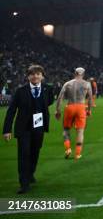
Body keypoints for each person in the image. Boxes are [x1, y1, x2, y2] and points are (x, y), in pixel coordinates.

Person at [2, 65, 55, 194]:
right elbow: (11, 110)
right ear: (28, 76)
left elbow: (49, 102)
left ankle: (30, 173)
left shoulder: (47, 89)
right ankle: (24, 183)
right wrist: (7, 130)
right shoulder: (20, 91)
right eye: (32, 74)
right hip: (23, 128)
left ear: (42, 76)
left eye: (38, 74)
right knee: (23, 155)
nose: (35, 76)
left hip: (39, 126)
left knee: (35, 152)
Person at [55, 68, 93, 160]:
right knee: (80, 131)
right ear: (83, 74)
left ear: (74, 73)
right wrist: (89, 110)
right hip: (81, 107)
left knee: (66, 129)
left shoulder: (68, 83)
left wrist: (58, 111)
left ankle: (68, 149)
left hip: (70, 107)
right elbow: (90, 99)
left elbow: (60, 98)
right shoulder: (87, 84)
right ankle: (77, 154)